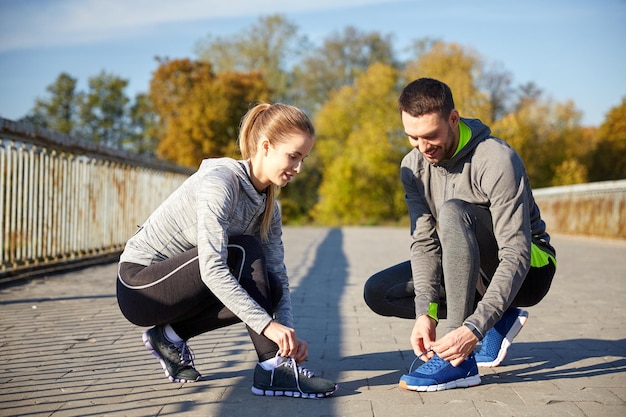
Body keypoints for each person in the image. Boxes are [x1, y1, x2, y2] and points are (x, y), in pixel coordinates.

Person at [116, 103, 337, 399]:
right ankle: (272, 368)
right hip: (141, 286)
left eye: (303, 158)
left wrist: (288, 335)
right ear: (266, 146)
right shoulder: (220, 182)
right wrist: (269, 327)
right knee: (244, 249)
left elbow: (279, 276)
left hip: (184, 288)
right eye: (293, 156)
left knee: (269, 285)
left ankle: (168, 336)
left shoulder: (269, 205)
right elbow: (212, 268)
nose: (298, 168)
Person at [363, 78, 556, 391]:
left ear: (453, 118)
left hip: (530, 269)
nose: (423, 148)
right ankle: (496, 317)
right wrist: (425, 313)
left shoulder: (495, 159)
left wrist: (472, 330)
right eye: (412, 137)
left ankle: (459, 361)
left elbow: (516, 252)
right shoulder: (412, 167)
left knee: (454, 212)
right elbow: (424, 244)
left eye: (430, 136)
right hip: (472, 268)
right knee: (380, 291)